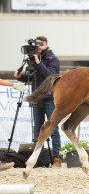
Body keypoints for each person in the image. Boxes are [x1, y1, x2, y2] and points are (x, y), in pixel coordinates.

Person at [14, 36, 62, 168]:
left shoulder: (53, 59)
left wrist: (37, 61)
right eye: (37, 44)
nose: (38, 46)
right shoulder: (33, 59)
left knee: (53, 128)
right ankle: (38, 158)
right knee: (38, 129)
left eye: (41, 44)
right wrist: (20, 77)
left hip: (49, 99)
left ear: (47, 45)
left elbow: (50, 77)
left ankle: (57, 158)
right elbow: (33, 78)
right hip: (36, 98)